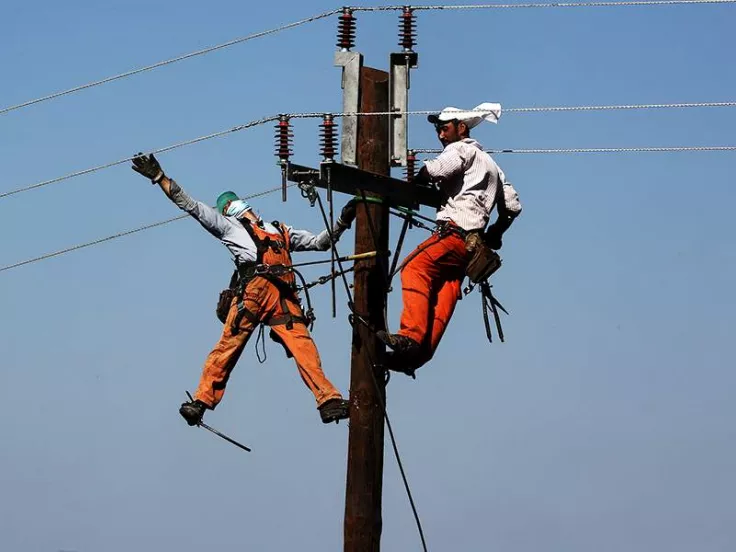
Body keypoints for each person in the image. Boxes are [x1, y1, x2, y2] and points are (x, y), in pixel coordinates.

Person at [131, 153, 358, 425]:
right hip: (254, 294)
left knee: (303, 348)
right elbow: (191, 206)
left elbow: (321, 243)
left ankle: (329, 401)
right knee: (229, 346)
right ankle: (201, 402)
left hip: (283, 298)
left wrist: (343, 222)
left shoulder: (280, 230)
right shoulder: (231, 227)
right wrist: (159, 178)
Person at [377, 103, 521, 373]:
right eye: (438, 131)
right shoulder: (492, 165)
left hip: (453, 234)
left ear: (461, 128)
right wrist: (495, 234)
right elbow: (512, 207)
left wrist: (416, 181)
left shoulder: (461, 149)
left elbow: (435, 170)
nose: (441, 136)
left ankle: (410, 337)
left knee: (415, 268)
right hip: (470, 248)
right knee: (446, 291)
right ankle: (418, 356)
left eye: (445, 129)